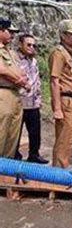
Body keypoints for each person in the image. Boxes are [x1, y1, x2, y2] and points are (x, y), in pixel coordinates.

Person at [48, 19, 72, 168]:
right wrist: (57, 108)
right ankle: (59, 174)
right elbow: (54, 81)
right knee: (64, 138)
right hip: (66, 100)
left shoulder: (69, 53)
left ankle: (62, 169)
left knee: (69, 138)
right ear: (63, 35)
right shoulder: (59, 53)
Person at [14, 34, 48, 164]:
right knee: (15, 132)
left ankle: (34, 154)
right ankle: (14, 154)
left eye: (33, 45)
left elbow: (37, 81)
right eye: (28, 45)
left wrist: (39, 99)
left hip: (33, 103)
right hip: (19, 101)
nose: (31, 47)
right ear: (20, 45)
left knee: (35, 132)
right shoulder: (14, 59)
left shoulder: (33, 61)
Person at [0, 19, 29, 158]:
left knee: (12, 135)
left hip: (14, 93)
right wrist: (20, 80)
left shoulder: (9, 51)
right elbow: (2, 70)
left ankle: (6, 169)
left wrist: (21, 78)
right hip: (3, 93)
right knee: (2, 131)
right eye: (9, 31)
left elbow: (16, 69)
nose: (12, 35)